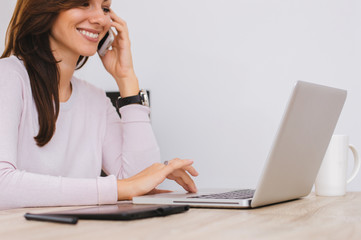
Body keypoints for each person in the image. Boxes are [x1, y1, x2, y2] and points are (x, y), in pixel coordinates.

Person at [0, 0, 198, 210]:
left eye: (105, 8)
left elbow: (139, 183)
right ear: (44, 8)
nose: (101, 19)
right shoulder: (8, 76)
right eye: (84, 3)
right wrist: (117, 189)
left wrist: (126, 78)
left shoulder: (95, 100)